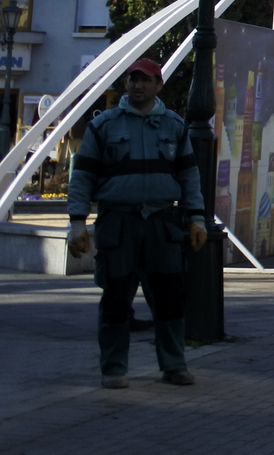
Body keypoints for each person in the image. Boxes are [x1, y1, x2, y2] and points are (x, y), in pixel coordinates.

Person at [65, 58, 208, 389]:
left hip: (162, 223)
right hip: (118, 223)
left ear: (158, 85)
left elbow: (189, 175)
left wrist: (197, 217)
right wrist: (76, 222)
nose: (137, 85)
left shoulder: (174, 125)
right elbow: (82, 176)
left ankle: (174, 365)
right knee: (116, 298)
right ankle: (114, 369)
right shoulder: (104, 125)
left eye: (145, 80)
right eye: (133, 79)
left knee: (170, 299)